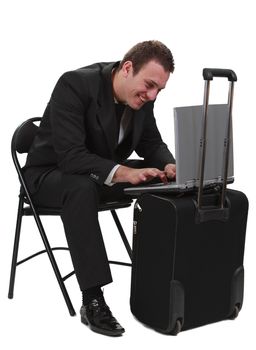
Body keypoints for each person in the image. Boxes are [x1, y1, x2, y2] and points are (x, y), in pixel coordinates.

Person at [23, 40, 176, 336]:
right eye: (149, 85)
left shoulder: (144, 97)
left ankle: (162, 280)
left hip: (96, 176)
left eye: (159, 89)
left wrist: (169, 165)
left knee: (164, 181)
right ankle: (92, 300)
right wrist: (123, 172)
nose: (153, 94)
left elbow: (151, 143)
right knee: (81, 188)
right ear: (128, 68)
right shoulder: (75, 84)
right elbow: (70, 157)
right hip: (48, 177)